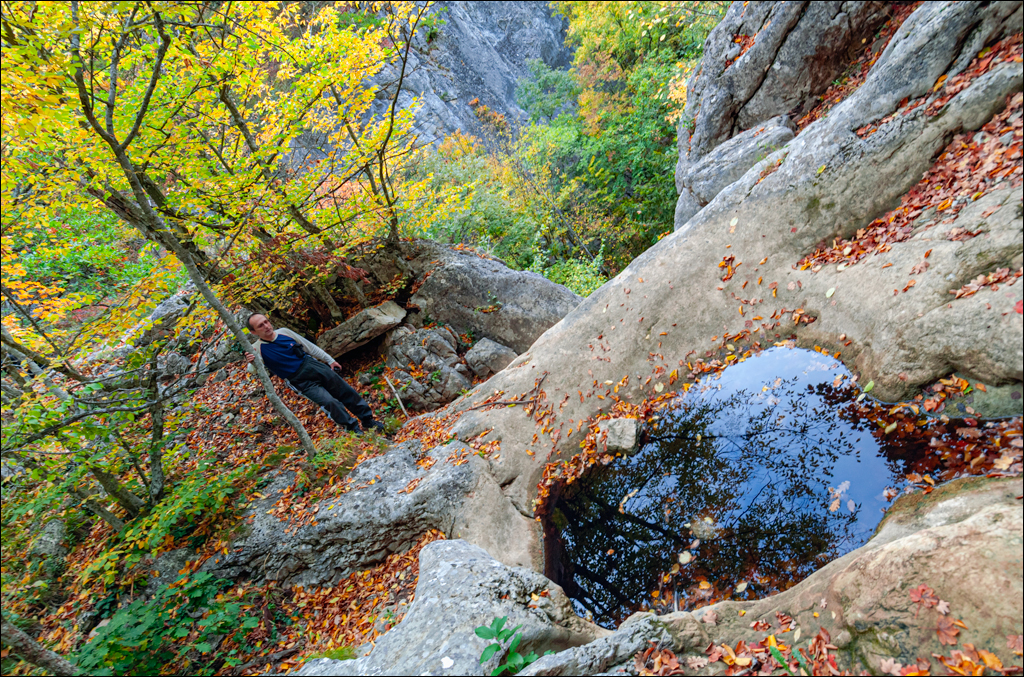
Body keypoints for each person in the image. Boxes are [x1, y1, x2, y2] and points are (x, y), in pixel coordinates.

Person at [244, 313, 384, 434]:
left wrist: (330, 360)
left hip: (312, 365)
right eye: (260, 326)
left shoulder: (285, 333)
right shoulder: (257, 349)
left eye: (266, 322)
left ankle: (368, 421)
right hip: (299, 380)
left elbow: (309, 347)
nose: (266, 326)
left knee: (345, 391)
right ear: (254, 332)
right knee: (329, 402)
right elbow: (254, 369)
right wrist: (251, 361)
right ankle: (353, 429)